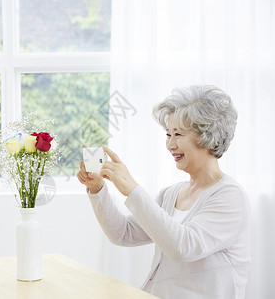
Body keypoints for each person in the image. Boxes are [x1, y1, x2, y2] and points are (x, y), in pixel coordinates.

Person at [77, 85, 250, 299]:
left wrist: (132, 188)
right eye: (168, 134)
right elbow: (122, 233)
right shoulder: (171, 194)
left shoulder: (230, 196)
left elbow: (183, 247)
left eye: (178, 134)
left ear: (207, 135)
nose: (170, 144)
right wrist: (97, 189)